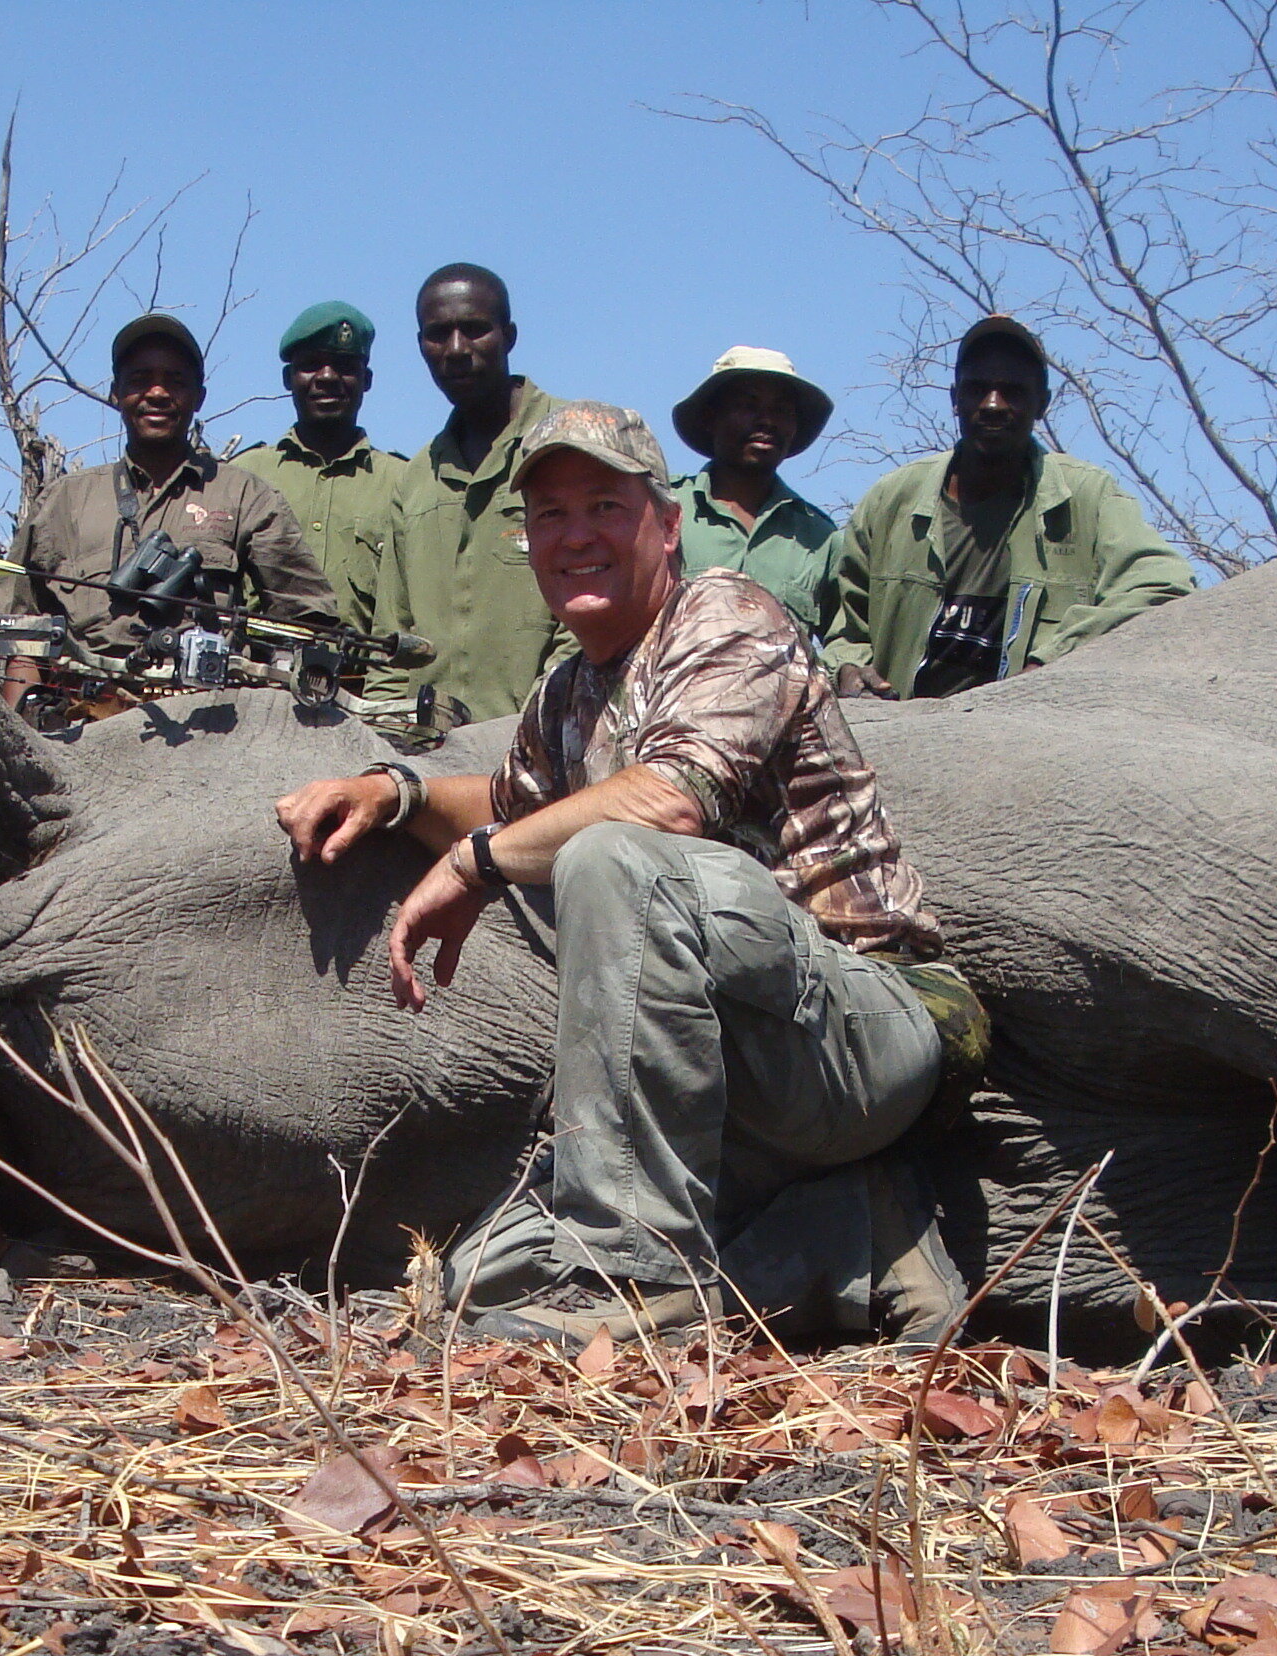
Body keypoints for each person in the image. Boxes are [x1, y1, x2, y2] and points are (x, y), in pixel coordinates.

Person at [276, 402, 982, 1346]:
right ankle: (852, 1227)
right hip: (717, 1085)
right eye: (550, 515)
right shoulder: (569, 687)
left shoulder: (728, 614)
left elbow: (668, 803)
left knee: (613, 855)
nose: (575, 536)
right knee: (474, 1284)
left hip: (858, 1031)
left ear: (667, 522)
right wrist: (394, 794)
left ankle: (636, 1274)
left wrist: (474, 865)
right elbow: (512, 804)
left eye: (604, 506)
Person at [828, 314, 1195, 697]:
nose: (992, 405)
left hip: (1026, 737)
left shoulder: (1088, 497)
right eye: (978, 389)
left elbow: (1163, 585)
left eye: (1013, 391)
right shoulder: (891, 500)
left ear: (1043, 405)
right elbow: (846, 631)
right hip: (907, 736)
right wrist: (848, 667)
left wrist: (1052, 662)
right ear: (955, 399)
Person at [0, 312, 334, 694]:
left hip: (207, 718)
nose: (158, 393)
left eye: (175, 382)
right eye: (139, 380)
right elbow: (14, 632)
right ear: (116, 393)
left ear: (199, 397)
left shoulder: (246, 496)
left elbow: (306, 619)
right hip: (83, 719)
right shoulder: (63, 501)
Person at [367, 264, 567, 721]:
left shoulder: (571, 445)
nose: (456, 350)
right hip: (430, 761)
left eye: (474, 330)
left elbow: (600, 610)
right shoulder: (416, 479)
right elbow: (390, 644)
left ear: (509, 336)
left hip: (552, 749)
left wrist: (542, 728)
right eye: (438, 334)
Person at [232, 301, 410, 634]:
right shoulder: (244, 478)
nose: (326, 378)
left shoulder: (404, 484)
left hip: (364, 679)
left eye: (344, 366)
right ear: (288, 378)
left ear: (366, 379)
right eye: (311, 365)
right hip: (256, 677)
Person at [669, 347, 843, 639]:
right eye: (748, 406)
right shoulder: (663, 508)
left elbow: (845, 638)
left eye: (781, 410)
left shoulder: (819, 537)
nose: (767, 421)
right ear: (711, 418)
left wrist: (843, 668)